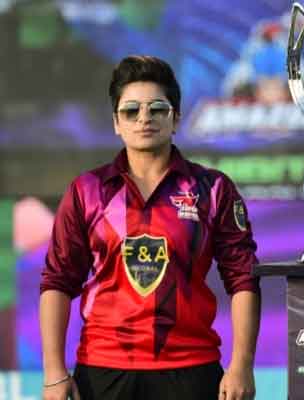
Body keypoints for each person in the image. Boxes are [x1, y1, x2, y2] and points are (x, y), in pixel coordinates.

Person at [39, 55, 261, 400]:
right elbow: (57, 281)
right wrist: (54, 372)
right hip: (102, 373)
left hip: (192, 370)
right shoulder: (87, 190)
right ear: (116, 122)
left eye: (157, 108)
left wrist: (242, 365)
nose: (144, 118)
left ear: (176, 118)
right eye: (131, 111)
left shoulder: (213, 188)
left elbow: (243, 278)